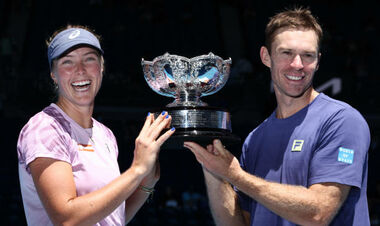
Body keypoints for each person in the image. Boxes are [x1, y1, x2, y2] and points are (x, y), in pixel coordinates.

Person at [184, 7, 370, 226]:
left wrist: (236, 176)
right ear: (266, 56)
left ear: (318, 61)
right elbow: (236, 223)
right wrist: (212, 167)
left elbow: (319, 213)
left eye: (307, 55)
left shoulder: (342, 121)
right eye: (287, 53)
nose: (297, 65)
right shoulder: (256, 138)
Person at [17, 25, 175, 226]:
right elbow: (67, 219)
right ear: (53, 75)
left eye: (89, 59)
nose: (80, 70)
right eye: (67, 62)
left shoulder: (105, 134)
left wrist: (146, 182)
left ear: (101, 67)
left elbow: (110, 218)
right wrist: (136, 170)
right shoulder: (45, 128)